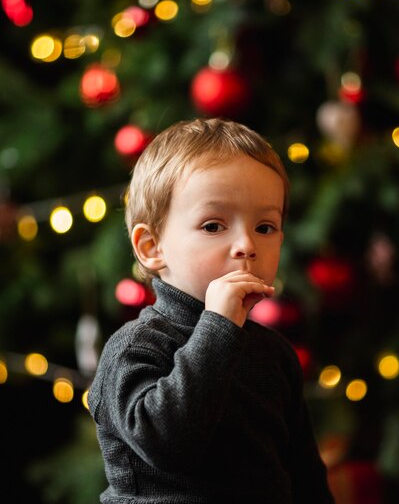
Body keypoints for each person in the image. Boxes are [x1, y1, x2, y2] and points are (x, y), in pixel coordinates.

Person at [88, 117, 335, 504]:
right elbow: (167, 444)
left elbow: (303, 473)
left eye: (265, 227)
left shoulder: (274, 354)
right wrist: (217, 328)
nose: (246, 245)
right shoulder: (135, 347)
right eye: (214, 225)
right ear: (152, 247)